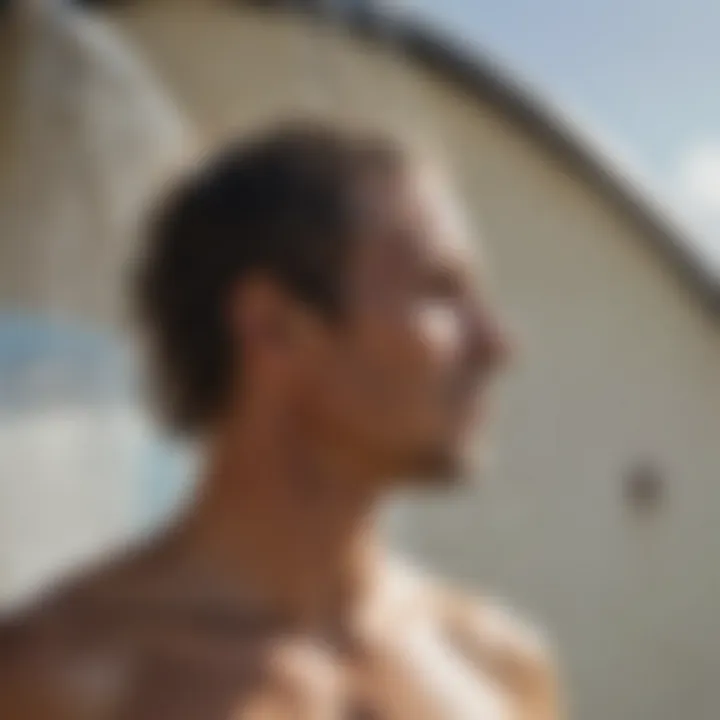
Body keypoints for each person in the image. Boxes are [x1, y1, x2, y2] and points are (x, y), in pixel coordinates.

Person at [0, 120, 561, 719]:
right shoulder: (57, 679)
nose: (497, 344)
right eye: (440, 291)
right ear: (274, 325)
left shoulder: (500, 668)